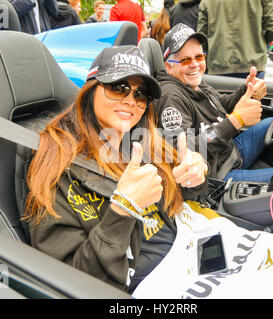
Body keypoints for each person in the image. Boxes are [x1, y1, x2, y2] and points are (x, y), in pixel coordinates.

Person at [24, 45, 209, 291]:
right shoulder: (56, 162)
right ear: (90, 90)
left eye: (140, 94)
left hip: (192, 254)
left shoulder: (141, 138)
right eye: (118, 87)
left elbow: (183, 191)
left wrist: (197, 171)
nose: (131, 101)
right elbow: (75, 282)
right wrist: (124, 209)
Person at [157, 23, 273, 184]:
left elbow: (220, 103)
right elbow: (184, 150)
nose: (195, 64)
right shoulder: (170, 96)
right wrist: (236, 121)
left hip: (229, 151)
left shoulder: (193, 81)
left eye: (199, 57)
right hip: (216, 173)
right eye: (185, 60)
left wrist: (247, 89)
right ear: (169, 67)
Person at [197, 0, 273, 79]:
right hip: (252, 65)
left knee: (218, 98)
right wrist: (258, 44)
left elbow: (201, 37)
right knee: (251, 97)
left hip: (218, 65)